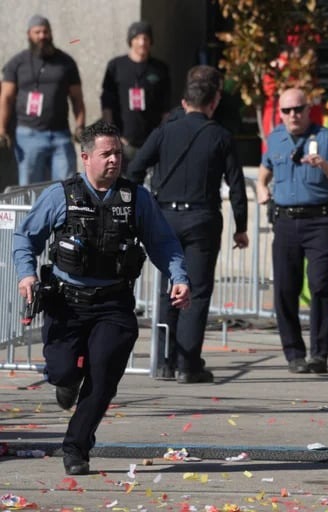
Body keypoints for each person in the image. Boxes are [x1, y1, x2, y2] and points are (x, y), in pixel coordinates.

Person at [12, 120, 190, 475]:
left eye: (118, 154)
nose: (114, 160)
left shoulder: (136, 198)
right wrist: (27, 273)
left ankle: (76, 447)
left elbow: (164, 244)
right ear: (86, 158)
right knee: (63, 371)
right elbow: (25, 238)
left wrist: (179, 277)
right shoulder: (60, 195)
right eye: (106, 154)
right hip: (66, 301)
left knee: (103, 375)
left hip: (113, 303)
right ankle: (64, 382)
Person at [127, 65, 249, 384]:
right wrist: (241, 226)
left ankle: (165, 361)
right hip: (202, 218)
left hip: (165, 217)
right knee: (194, 290)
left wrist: (141, 207)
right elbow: (236, 185)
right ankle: (188, 363)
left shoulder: (165, 130)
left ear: (185, 101)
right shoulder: (220, 136)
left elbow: (136, 169)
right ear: (213, 103)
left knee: (170, 287)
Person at [256, 88, 328, 374]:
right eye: (287, 111)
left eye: (298, 109)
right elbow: (264, 171)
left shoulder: (327, 138)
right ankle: (294, 354)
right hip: (285, 221)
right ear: (280, 113)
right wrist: (261, 190)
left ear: (309, 110)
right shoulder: (275, 138)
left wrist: (323, 164)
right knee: (285, 288)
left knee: (320, 285)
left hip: (319, 220)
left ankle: (319, 354)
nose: (293, 115)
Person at [0, 15, 85, 186]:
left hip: (61, 135)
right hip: (28, 136)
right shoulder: (17, 63)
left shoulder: (66, 62)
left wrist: (80, 125)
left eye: (45, 31)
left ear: (51, 33)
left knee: (67, 186)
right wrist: (1, 129)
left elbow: (77, 98)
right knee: (29, 188)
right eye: (37, 32)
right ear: (29, 34)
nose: (41, 36)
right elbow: (6, 97)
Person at [100, 21, 171, 169]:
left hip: (151, 142)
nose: (142, 42)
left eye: (146, 38)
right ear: (130, 40)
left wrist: (160, 136)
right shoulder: (116, 66)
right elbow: (107, 102)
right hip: (124, 141)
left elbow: (166, 106)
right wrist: (112, 134)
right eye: (137, 38)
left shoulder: (160, 69)